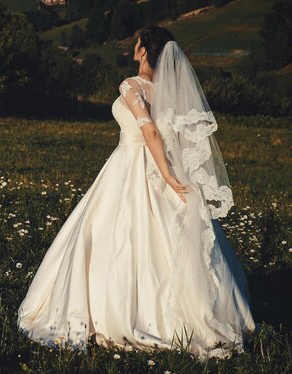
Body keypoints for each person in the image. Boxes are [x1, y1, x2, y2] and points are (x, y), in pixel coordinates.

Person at [16, 25, 256, 361]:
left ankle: (121, 314)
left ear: (144, 50)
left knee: (115, 238)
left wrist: (168, 176)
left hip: (134, 163)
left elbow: (151, 133)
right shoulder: (170, 91)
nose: (134, 46)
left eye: (138, 42)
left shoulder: (131, 85)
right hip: (154, 163)